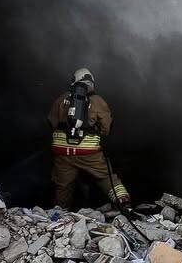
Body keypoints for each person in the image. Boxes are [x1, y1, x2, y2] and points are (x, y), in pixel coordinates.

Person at [47, 68, 131, 210]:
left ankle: (58, 214)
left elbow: (51, 122)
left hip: (63, 152)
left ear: (74, 81)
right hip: (88, 153)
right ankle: (124, 203)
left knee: (63, 186)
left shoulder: (61, 99)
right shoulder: (98, 101)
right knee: (106, 177)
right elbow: (106, 128)